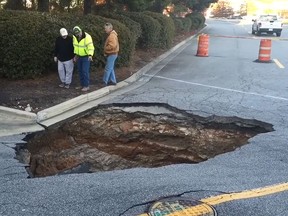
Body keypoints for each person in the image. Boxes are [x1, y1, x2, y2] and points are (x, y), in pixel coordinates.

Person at [72, 26, 94, 92]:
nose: (78, 35)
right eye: (76, 34)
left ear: (81, 31)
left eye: (79, 33)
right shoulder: (75, 37)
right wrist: (76, 55)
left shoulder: (87, 37)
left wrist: (90, 55)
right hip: (79, 56)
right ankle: (82, 84)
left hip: (86, 56)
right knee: (80, 71)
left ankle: (86, 86)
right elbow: (76, 47)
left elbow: (91, 47)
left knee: (85, 71)